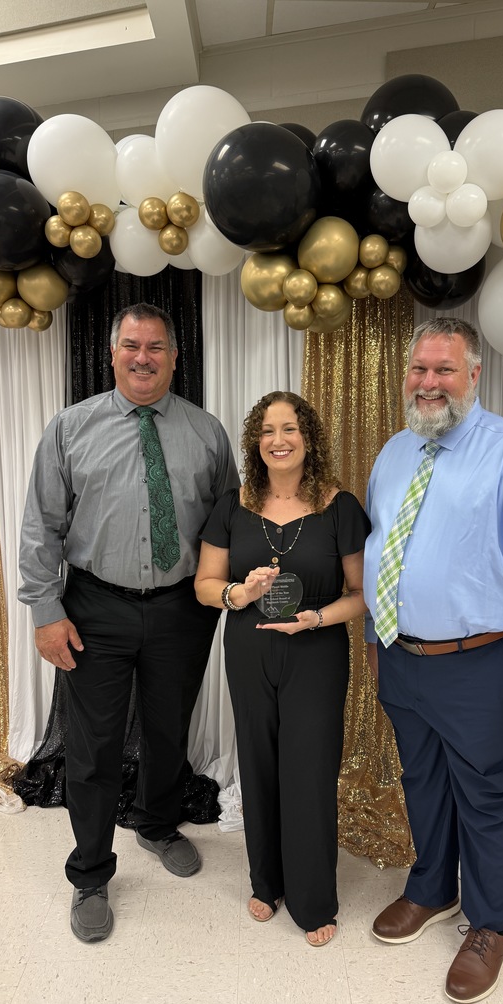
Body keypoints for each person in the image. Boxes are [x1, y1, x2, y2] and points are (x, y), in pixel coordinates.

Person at [364, 318, 503, 1003]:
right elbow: (380, 551)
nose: (428, 383)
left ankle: (489, 925)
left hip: (482, 665)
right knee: (422, 781)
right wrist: (376, 637)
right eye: (419, 369)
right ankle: (432, 888)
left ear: (474, 375)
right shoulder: (395, 452)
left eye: (444, 369)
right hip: (402, 658)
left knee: (486, 797)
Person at [19, 301, 240, 943]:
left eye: (156, 347)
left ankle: (156, 822)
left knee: (169, 728)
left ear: (174, 356)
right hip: (94, 606)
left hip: (181, 609)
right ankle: (90, 872)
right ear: (112, 353)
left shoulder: (207, 433)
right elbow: (42, 525)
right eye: (132, 346)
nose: (143, 358)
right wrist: (45, 612)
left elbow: (228, 523)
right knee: (94, 746)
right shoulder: (70, 428)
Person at [194, 391, 369, 947]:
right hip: (248, 647)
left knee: (309, 771)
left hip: (315, 650)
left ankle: (313, 898)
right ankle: (265, 883)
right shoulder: (234, 505)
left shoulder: (339, 506)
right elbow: (204, 585)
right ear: (255, 442)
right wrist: (239, 594)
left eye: (289, 428)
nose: (278, 440)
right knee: (258, 762)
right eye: (267, 431)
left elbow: (362, 594)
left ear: (308, 438)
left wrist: (314, 618)